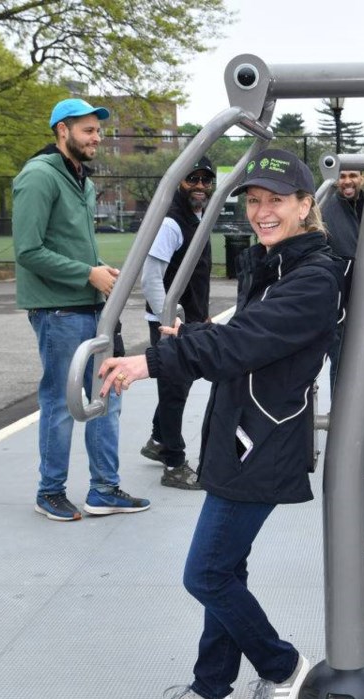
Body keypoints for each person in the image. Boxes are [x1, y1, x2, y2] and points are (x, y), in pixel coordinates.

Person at [97, 149, 345, 699]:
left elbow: (243, 345)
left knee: (206, 574)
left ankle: (281, 667)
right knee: (225, 567)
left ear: (306, 205)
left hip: (263, 440)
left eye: (275, 201)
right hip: (242, 432)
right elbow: (242, 334)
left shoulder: (312, 276)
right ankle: (212, 689)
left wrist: (150, 362)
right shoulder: (278, 262)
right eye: (254, 201)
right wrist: (201, 331)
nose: (261, 211)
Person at [13, 97, 150, 522]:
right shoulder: (39, 177)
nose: (97, 138)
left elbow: (71, 244)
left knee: (108, 395)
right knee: (60, 401)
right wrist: (86, 274)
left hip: (91, 309)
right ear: (62, 131)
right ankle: (49, 491)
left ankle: (104, 489)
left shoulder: (82, 181)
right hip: (58, 312)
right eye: (88, 131)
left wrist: (97, 271)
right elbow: (28, 251)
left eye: (98, 131)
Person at [138, 156, 217, 490]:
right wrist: (171, 321)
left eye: (205, 180)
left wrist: (202, 313)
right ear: (179, 184)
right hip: (169, 326)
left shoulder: (198, 218)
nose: (199, 186)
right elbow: (150, 277)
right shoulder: (172, 222)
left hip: (188, 322)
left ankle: (157, 441)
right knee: (173, 393)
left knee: (178, 388)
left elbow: (194, 277)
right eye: (191, 180)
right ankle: (174, 464)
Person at [321, 168, 364, 431]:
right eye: (342, 176)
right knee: (339, 356)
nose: (347, 181)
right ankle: (340, 413)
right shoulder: (326, 209)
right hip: (340, 296)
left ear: (362, 177)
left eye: (353, 175)